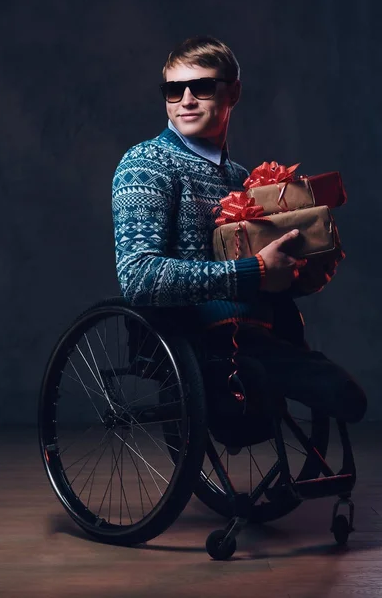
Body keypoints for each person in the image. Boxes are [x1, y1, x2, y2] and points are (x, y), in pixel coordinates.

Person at [111, 35, 366, 424]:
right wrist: (256, 271)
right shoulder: (146, 164)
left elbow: (258, 271)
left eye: (202, 87)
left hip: (255, 323)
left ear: (233, 93)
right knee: (324, 389)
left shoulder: (239, 177)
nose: (187, 101)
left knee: (337, 388)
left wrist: (300, 271)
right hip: (189, 331)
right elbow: (139, 278)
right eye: (173, 90)